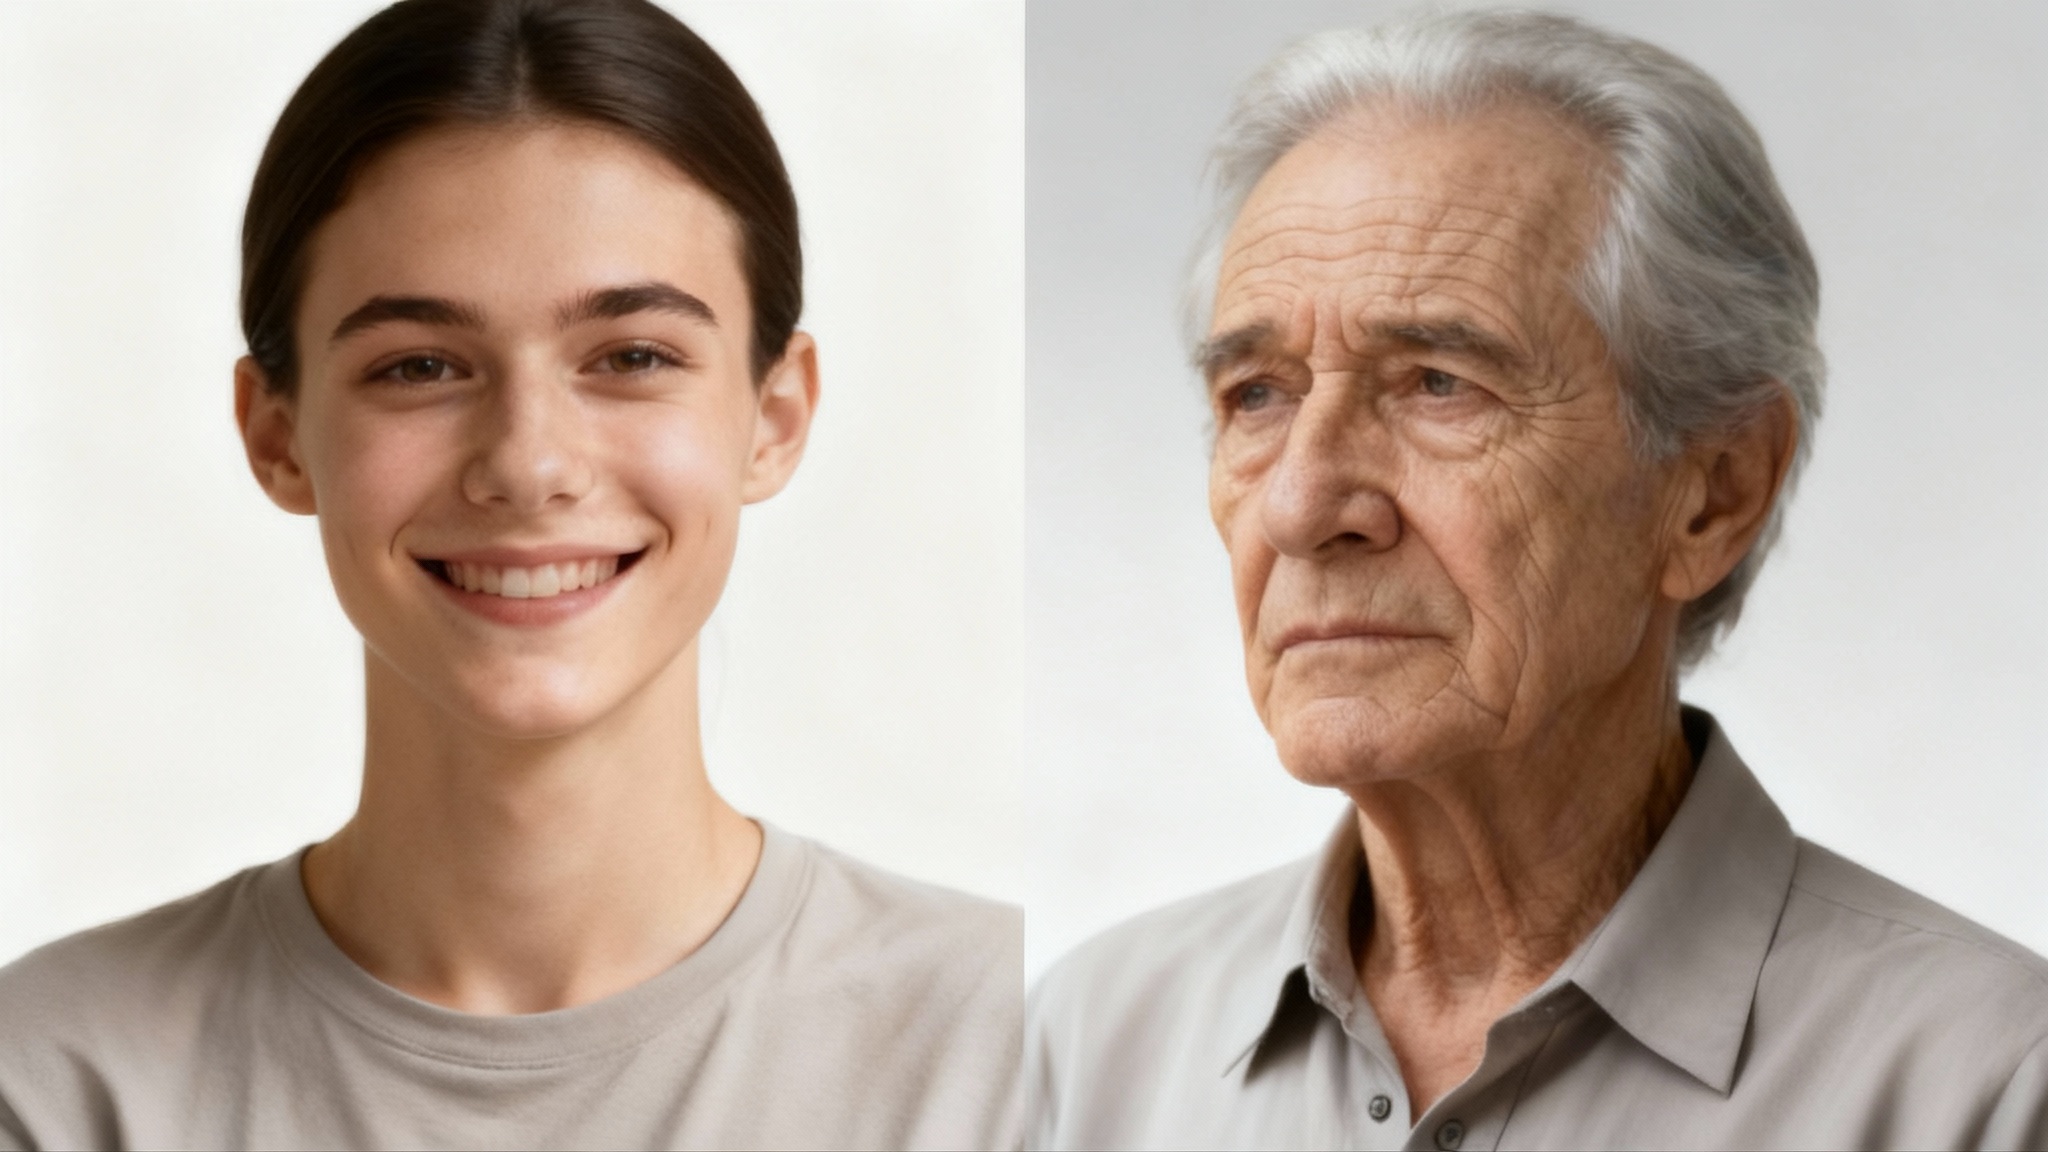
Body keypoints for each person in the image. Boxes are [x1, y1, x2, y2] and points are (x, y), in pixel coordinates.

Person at [0, 1, 1020, 1147]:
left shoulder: (1023, 1053)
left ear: (774, 417)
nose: (528, 465)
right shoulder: (57, 1083)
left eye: (632, 357)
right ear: (277, 435)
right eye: (420, 366)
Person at [1027, 10, 2048, 1149]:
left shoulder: (1986, 1087)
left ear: (1710, 492)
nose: (1301, 504)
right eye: (1255, 396)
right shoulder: (1082, 1053)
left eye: (1436, 383)